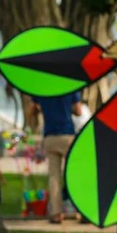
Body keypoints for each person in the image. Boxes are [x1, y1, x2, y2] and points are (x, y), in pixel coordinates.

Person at [31, 91, 83, 224]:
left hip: (49, 137)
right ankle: (82, 212)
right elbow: (78, 111)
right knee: (75, 174)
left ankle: (56, 214)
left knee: (54, 176)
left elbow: (32, 109)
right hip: (67, 135)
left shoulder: (42, 87)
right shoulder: (71, 86)